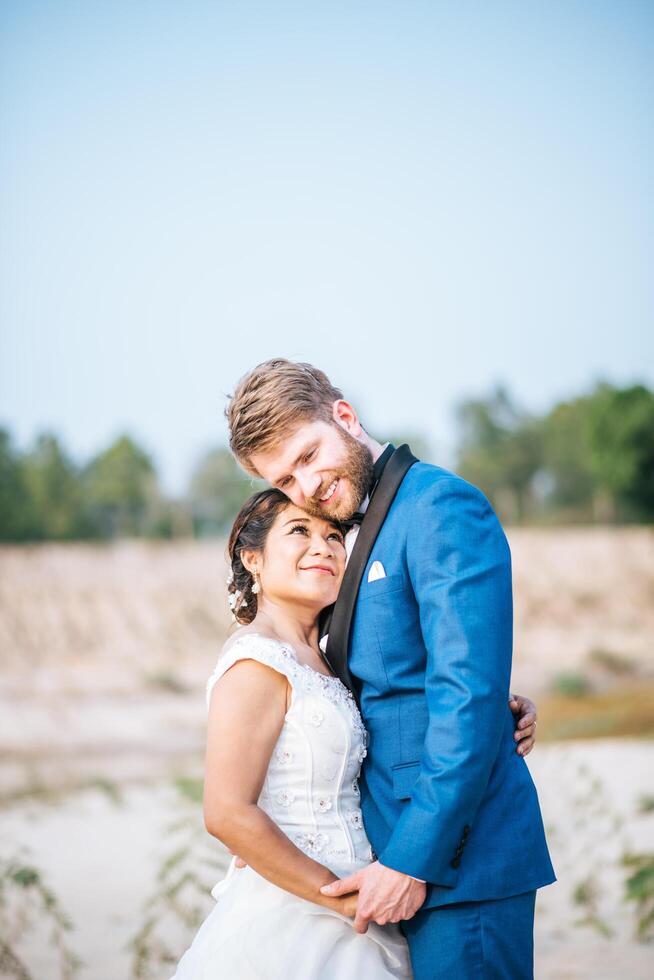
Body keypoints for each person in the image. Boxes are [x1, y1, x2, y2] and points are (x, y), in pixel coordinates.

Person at [219, 358, 556, 979]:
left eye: (309, 455)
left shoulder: (438, 506)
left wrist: (414, 861)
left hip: (459, 863)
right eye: (286, 480)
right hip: (387, 862)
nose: (306, 484)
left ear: (344, 416)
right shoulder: (352, 536)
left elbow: (464, 696)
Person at [171, 487, 539, 978]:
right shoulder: (256, 663)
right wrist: (339, 899)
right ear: (252, 558)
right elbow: (226, 813)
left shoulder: (331, 656)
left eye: (333, 535)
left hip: (373, 891)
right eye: (299, 531)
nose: (323, 546)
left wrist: (496, 707)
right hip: (306, 911)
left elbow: (401, 716)